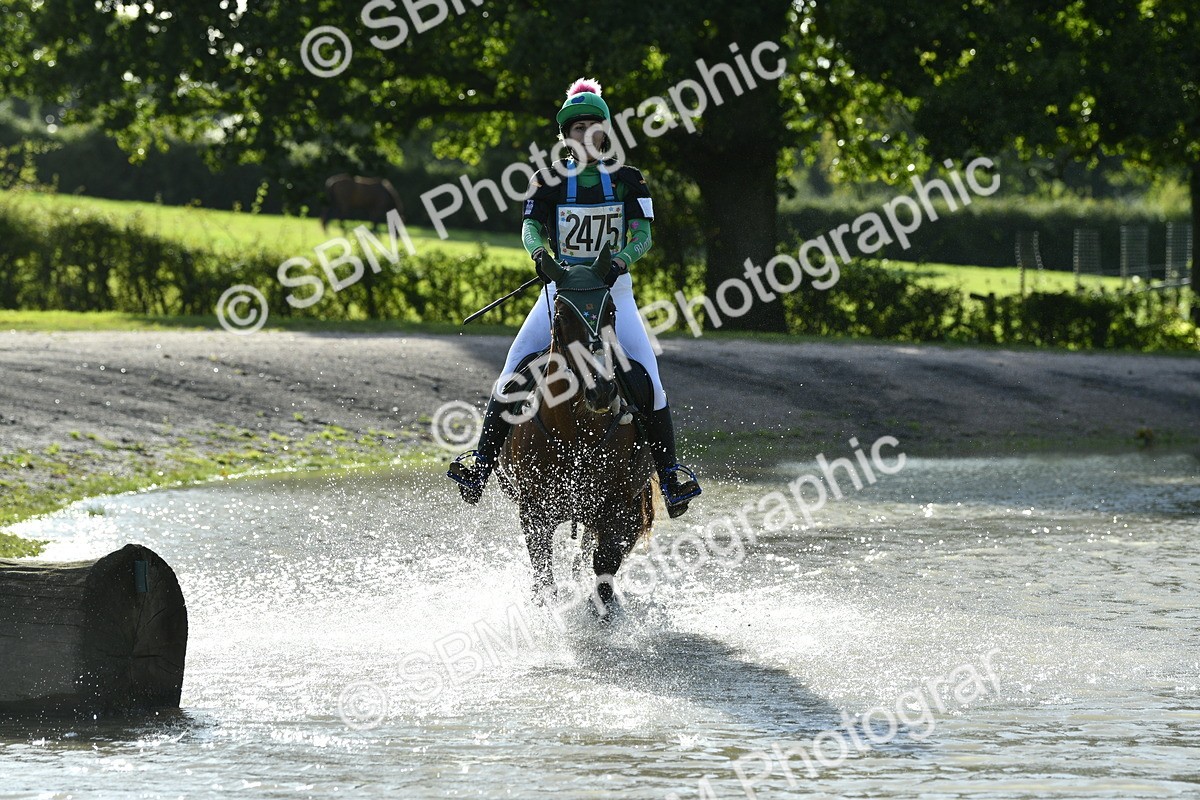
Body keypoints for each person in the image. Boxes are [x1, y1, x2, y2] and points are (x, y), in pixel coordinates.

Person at [447, 78, 701, 514]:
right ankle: (481, 465)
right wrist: (541, 256)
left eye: (592, 125)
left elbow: (643, 234)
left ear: (605, 130)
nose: (585, 134)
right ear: (565, 136)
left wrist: (621, 259)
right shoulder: (545, 181)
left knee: (649, 379)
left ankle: (670, 476)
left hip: (611, 294)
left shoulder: (628, 180)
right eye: (576, 127)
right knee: (511, 372)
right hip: (559, 293)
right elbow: (530, 228)